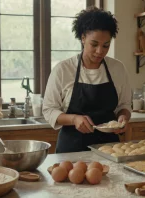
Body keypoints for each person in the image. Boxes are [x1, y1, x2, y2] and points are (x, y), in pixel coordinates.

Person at [43, 6, 132, 153]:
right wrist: (74, 119)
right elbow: (49, 110)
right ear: (83, 38)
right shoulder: (64, 69)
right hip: (72, 149)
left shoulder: (118, 69)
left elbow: (124, 104)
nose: (100, 51)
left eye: (106, 45)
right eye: (94, 44)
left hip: (110, 149)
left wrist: (123, 117)